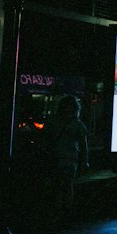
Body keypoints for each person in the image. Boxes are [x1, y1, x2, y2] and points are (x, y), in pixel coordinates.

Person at [42, 95, 90, 225]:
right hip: (70, 159)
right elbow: (83, 145)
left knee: (59, 185)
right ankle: (66, 210)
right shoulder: (78, 124)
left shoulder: (54, 122)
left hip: (58, 157)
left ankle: (58, 211)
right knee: (66, 185)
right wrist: (84, 161)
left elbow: (46, 140)